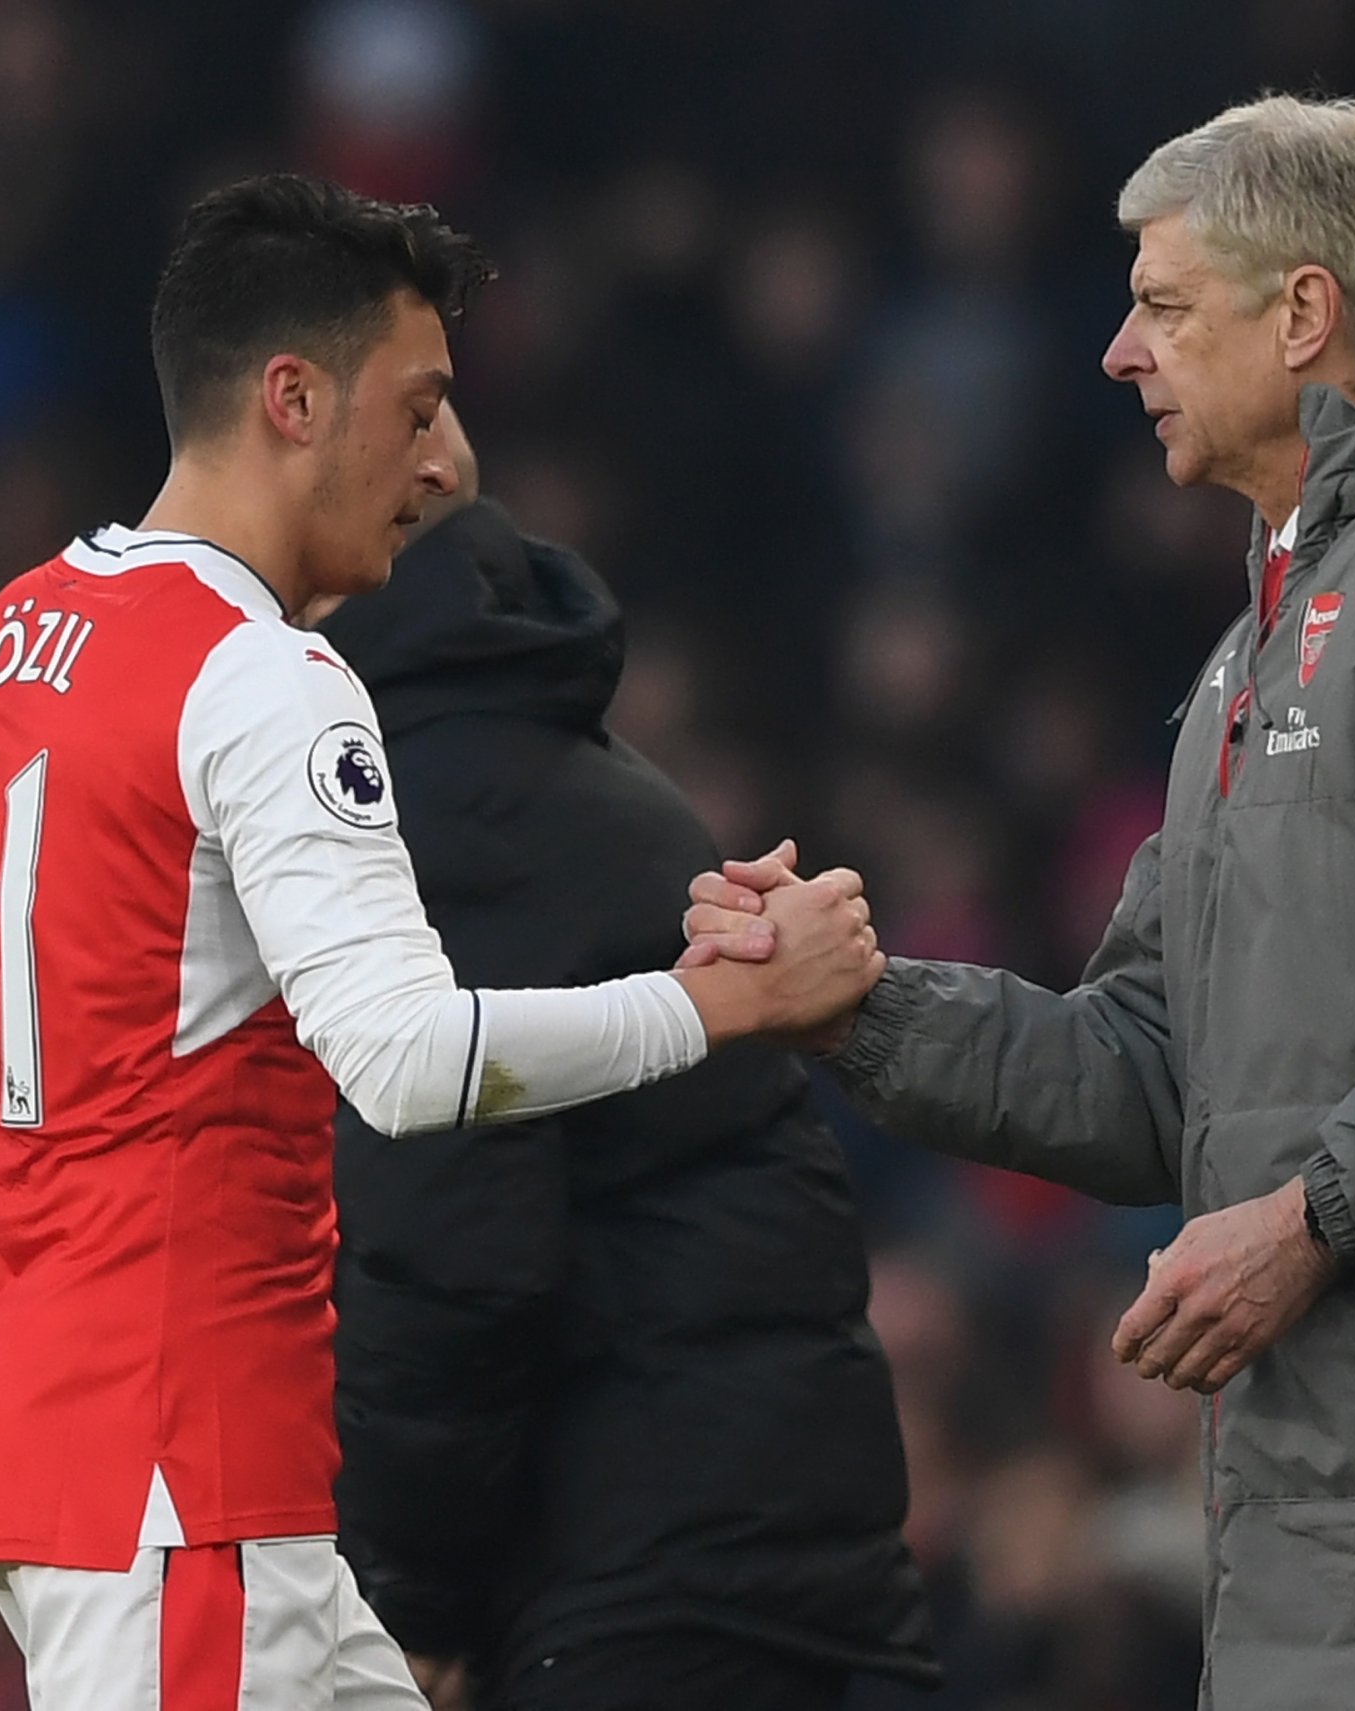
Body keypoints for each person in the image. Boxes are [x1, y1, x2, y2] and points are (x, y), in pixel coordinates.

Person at [688, 95, 1355, 1709]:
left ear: (1304, 314)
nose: (1122, 354)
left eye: (1163, 307)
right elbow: (1159, 1072)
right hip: (1319, 1541)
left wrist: (1319, 1215)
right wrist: (862, 1008)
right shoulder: (1253, 652)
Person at [0, 175, 880, 1711]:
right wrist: (713, 1005)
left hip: (120, 1484)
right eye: (413, 412)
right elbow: (404, 1060)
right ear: (292, 398)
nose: (436, 469)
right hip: (179, 1491)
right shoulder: (264, 679)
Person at [316, 407, 940, 1711]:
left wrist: (410, 1599)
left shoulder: (423, 811)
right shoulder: (543, 764)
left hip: (644, 1588)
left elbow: (454, 1253)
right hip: (748, 1552)